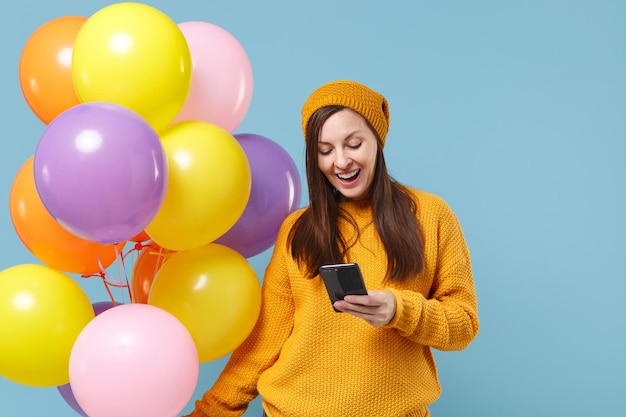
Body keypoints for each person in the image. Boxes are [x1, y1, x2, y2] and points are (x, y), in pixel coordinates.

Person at [183, 80, 479, 417]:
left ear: (377, 141)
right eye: (325, 150)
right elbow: (263, 341)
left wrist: (399, 310)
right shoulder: (298, 230)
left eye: (354, 144)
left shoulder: (431, 215)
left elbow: (464, 324)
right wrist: (209, 412)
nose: (341, 162)